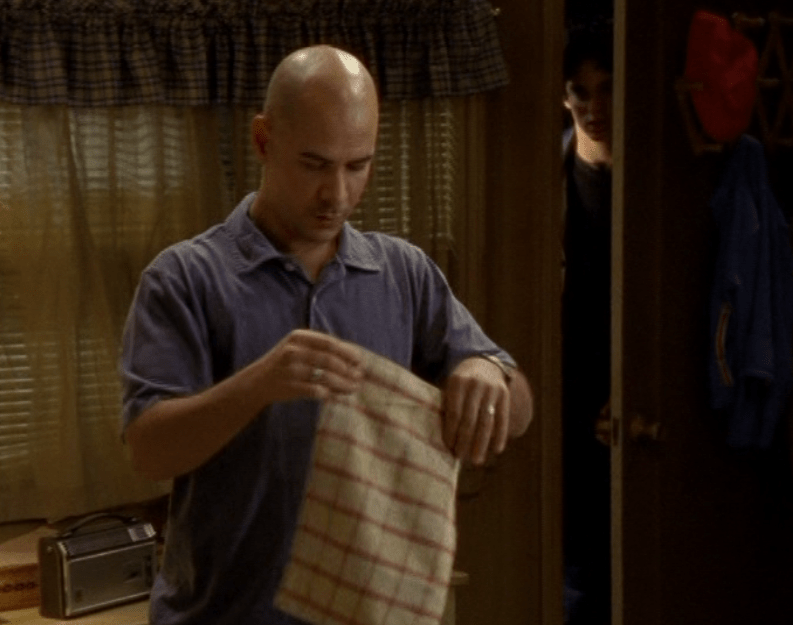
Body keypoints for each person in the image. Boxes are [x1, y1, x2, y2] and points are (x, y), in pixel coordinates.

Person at [120, 45, 534, 625]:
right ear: (263, 141)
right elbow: (148, 450)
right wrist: (260, 384)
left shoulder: (404, 273)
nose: (336, 194)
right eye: (314, 165)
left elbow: (519, 413)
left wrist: (488, 371)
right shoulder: (185, 278)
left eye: (357, 166)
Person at [561, 23, 613, 625]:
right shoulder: (549, 176)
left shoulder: (653, 187)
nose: (595, 108)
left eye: (607, 90)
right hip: (566, 406)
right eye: (581, 91)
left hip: (628, 403)